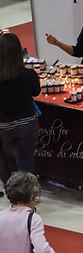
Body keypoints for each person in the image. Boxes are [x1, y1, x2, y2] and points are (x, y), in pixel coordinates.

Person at [0, 32, 41, 183]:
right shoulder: (29, 74)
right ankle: (26, 195)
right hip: (27, 124)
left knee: (10, 161)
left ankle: (12, 189)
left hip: (4, 127)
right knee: (26, 163)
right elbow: (36, 92)